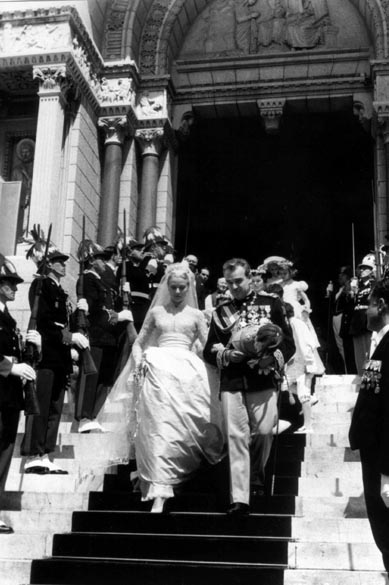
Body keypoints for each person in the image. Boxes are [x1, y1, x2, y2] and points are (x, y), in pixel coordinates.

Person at [127, 262, 224, 513]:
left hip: (186, 368)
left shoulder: (196, 315)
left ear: (189, 286)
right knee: (159, 425)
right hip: (159, 367)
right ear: (167, 286)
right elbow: (139, 343)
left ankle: (177, 470)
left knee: (182, 424)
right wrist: (139, 360)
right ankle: (159, 488)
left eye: (182, 287)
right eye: (173, 287)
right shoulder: (157, 312)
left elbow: (205, 346)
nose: (178, 292)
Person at [204, 258, 295, 517]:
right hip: (232, 380)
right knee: (236, 437)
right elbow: (208, 350)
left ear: (250, 278)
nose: (234, 287)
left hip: (262, 377)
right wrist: (224, 356)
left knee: (265, 431)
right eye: (230, 283)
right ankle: (240, 498)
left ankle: (256, 476)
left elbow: (289, 344)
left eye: (239, 281)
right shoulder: (220, 312)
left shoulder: (271, 303)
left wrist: (272, 358)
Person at [21, 248, 89, 473]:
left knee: (55, 407)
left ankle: (46, 452)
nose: (63, 265)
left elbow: (64, 322)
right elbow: (43, 321)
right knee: (40, 404)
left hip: (60, 357)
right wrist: (69, 338)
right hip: (47, 354)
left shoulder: (60, 291)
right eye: (59, 262)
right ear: (49, 264)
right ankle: (33, 453)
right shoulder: (40, 286)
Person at [349, 277, 389, 576]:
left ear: (383, 305)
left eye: (370, 305)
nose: (366, 312)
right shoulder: (381, 343)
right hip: (374, 453)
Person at [0, 255, 41, 533]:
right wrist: (10, 368)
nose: (15, 288)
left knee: (4, 452)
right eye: (10, 283)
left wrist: (34, 348)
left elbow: (18, 356)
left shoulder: (9, 319)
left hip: (10, 396)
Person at [75, 241, 133, 433]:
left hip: (108, 336)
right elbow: (95, 311)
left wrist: (124, 296)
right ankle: (84, 415)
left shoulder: (100, 280)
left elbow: (110, 305)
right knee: (91, 377)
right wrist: (114, 317)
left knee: (104, 378)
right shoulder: (87, 279)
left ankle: (94, 414)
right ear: (91, 261)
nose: (103, 261)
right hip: (96, 333)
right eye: (99, 258)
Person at [283, 302, 324, 433]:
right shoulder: (289, 324)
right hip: (295, 362)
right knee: (283, 385)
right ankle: (312, 399)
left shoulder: (296, 323)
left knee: (303, 394)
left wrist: (308, 363)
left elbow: (304, 343)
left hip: (305, 362)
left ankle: (308, 426)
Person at [349, 255, 376, 376]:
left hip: (367, 319)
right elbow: (351, 304)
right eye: (361, 268)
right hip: (357, 321)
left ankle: (370, 380)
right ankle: (361, 377)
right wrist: (352, 291)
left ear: (371, 271)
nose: (361, 270)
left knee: (370, 351)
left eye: (365, 268)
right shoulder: (356, 286)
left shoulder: (373, 284)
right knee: (359, 353)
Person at [11, 138, 34, 240]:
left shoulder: (36, 166)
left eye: (27, 152)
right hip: (20, 201)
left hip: (32, 200)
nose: (25, 155)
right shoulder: (16, 170)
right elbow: (13, 188)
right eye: (23, 152)